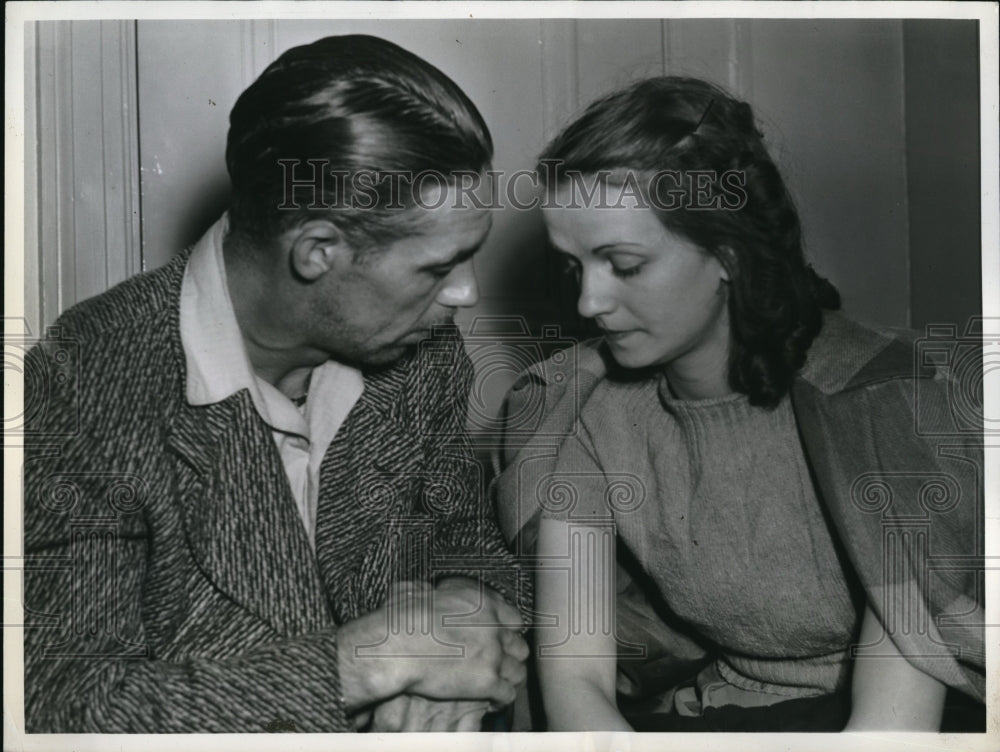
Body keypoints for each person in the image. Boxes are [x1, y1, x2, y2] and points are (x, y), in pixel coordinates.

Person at [23, 34, 530, 733]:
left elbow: (471, 540)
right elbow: (58, 705)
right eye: (438, 266)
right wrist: (364, 664)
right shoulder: (80, 385)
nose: (467, 293)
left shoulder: (423, 352)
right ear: (317, 252)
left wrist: (459, 633)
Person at [494, 76, 984, 732]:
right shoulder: (588, 407)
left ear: (727, 252)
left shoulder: (875, 403)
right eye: (574, 267)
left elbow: (891, 730)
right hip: (728, 707)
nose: (588, 303)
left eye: (624, 264)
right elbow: (578, 674)